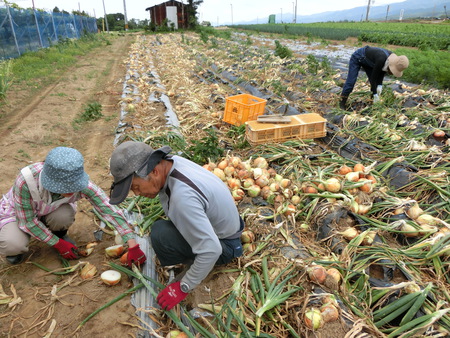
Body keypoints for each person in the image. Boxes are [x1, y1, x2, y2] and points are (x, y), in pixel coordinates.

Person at [109, 141, 243, 311]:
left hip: (226, 245)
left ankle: (197, 265)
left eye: (136, 187)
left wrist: (183, 286)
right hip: (226, 227)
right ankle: (196, 258)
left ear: (154, 171)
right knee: (164, 229)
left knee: (160, 235)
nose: (137, 193)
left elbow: (212, 249)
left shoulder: (182, 198)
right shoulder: (171, 162)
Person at [0, 147, 146, 267]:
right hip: (17, 214)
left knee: (64, 215)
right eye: (65, 187)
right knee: (12, 244)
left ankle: (59, 233)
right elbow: (28, 221)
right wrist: (58, 245)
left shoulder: (81, 182)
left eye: (73, 186)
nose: (71, 190)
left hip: (48, 211)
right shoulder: (26, 181)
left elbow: (108, 209)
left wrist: (132, 244)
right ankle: (17, 250)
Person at [339, 46, 409, 109]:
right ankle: (342, 102)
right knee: (351, 81)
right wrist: (375, 94)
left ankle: (372, 103)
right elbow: (373, 78)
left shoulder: (389, 60)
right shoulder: (381, 59)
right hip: (359, 57)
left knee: (375, 84)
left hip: (369, 61)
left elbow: (382, 72)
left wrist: (380, 85)